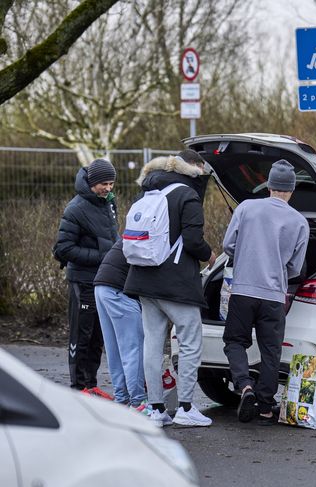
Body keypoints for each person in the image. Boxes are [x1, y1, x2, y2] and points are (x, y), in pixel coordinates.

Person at [124, 150, 216, 427]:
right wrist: (211, 256)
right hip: (174, 282)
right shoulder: (187, 195)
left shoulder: (149, 192)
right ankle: (186, 407)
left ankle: (156, 409)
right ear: (195, 168)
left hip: (143, 278)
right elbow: (192, 240)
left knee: (152, 342)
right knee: (190, 340)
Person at [222, 159, 309, 425]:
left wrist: (247, 256)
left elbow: (228, 245)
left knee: (235, 342)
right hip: (274, 296)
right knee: (271, 352)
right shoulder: (300, 221)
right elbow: (295, 267)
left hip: (244, 291)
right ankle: (265, 406)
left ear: (268, 185)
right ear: (291, 190)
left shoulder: (246, 208)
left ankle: (244, 385)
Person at [53, 158, 119, 399]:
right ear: (91, 182)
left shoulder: (108, 204)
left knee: (97, 337)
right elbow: (63, 249)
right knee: (81, 336)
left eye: (111, 183)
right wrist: (103, 256)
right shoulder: (76, 208)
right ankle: (78, 389)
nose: (108, 188)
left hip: (103, 281)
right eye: (104, 183)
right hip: (82, 281)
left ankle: (90, 385)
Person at [94, 239, 147, 411]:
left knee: (114, 349)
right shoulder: (158, 233)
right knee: (133, 348)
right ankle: (139, 402)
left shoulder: (136, 228)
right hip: (118, 290)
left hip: (101, 286)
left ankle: (122, 398)